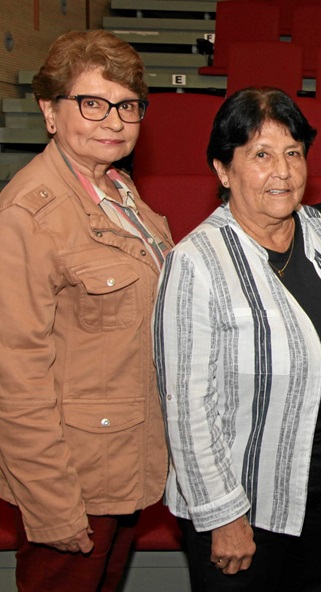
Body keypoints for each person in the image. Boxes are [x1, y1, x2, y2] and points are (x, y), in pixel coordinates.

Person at [153, 87, 321, 592]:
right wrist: (222, 515)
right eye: (262, 155)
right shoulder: (195, 262)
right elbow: (186, 408)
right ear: (223, 170)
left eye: (293, 153)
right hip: (247, 508)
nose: (283, 172)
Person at [0, 29, 171, 591]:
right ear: (50, 111)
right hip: (73, 483)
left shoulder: (120, 191)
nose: (114, 121)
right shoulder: (28, 214)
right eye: (92, 103)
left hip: (123, 466)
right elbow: (15, 377)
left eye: (127, 106)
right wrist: (52, 504)